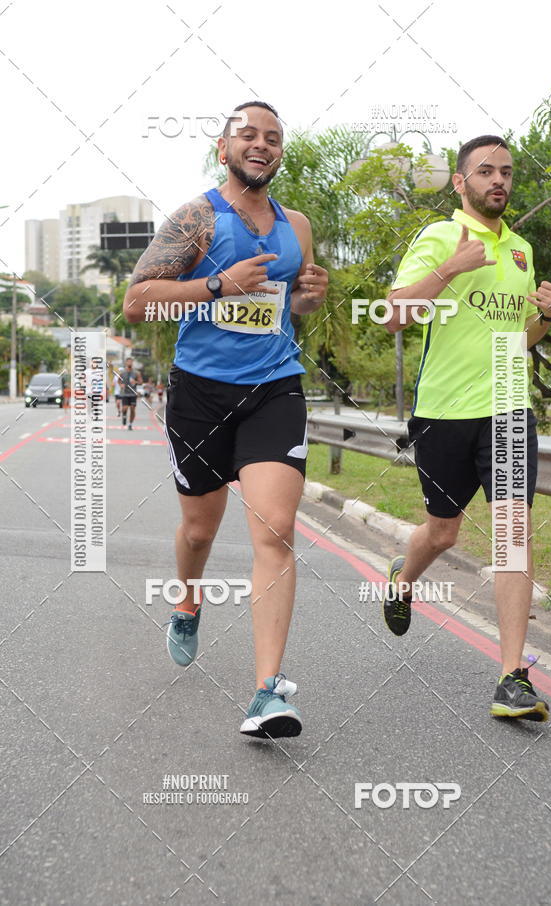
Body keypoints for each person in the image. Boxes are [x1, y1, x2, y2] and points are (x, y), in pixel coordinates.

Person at [123, 101, 328, 739]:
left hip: (274, 389)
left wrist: (302, 302)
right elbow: (136, 302)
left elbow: (282, 308)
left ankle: (267, 692)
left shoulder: (296, 226)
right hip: (201, 395)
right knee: (198, 530)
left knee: (275, 530)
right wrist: (217, 286)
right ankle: (187, 600)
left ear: (279, 153)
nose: (260, 144)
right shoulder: (197, 218)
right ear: (225, 148)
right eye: (248, 135)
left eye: (272, 138)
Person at [382, 135, 551, 722]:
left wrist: (543, 314)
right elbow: (395, 313)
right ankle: (401, 576)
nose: (500, 181)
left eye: (507, 172)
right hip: (444, 409)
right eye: (485, 171)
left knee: (513, 531)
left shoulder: (520, 251)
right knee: (442, 533)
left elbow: (520, 339)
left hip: (509, 407)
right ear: (460, 182)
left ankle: (511, 678)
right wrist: (452, 267)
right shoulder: (440, 237)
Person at [119, 358, 142, 430]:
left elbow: (141, 382)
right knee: (124, 408)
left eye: (131, 362)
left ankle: (130, 424)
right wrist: (121, 385)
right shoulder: (122, 372)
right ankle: (124, 415)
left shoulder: (136, 372)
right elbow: (119, 381)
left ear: (132, 363)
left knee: (132, 409)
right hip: (125, 393)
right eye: (128, 361)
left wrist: (136, 382)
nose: (129, 363)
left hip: (133, 393)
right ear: (126, 363)